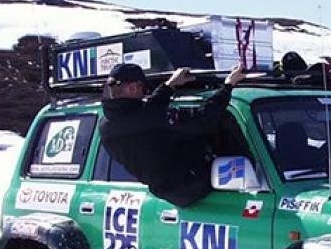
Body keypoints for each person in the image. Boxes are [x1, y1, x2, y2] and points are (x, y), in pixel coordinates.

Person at [99, 62, 246, 206]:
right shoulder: (148, 119)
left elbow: (149, 109)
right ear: (132, 88)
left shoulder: (106, 125)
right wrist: (228, 86)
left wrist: (170, 85)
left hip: (166, 191)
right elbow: (202, 122)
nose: (144, 95)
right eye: (143, 89)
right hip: (193, 186)